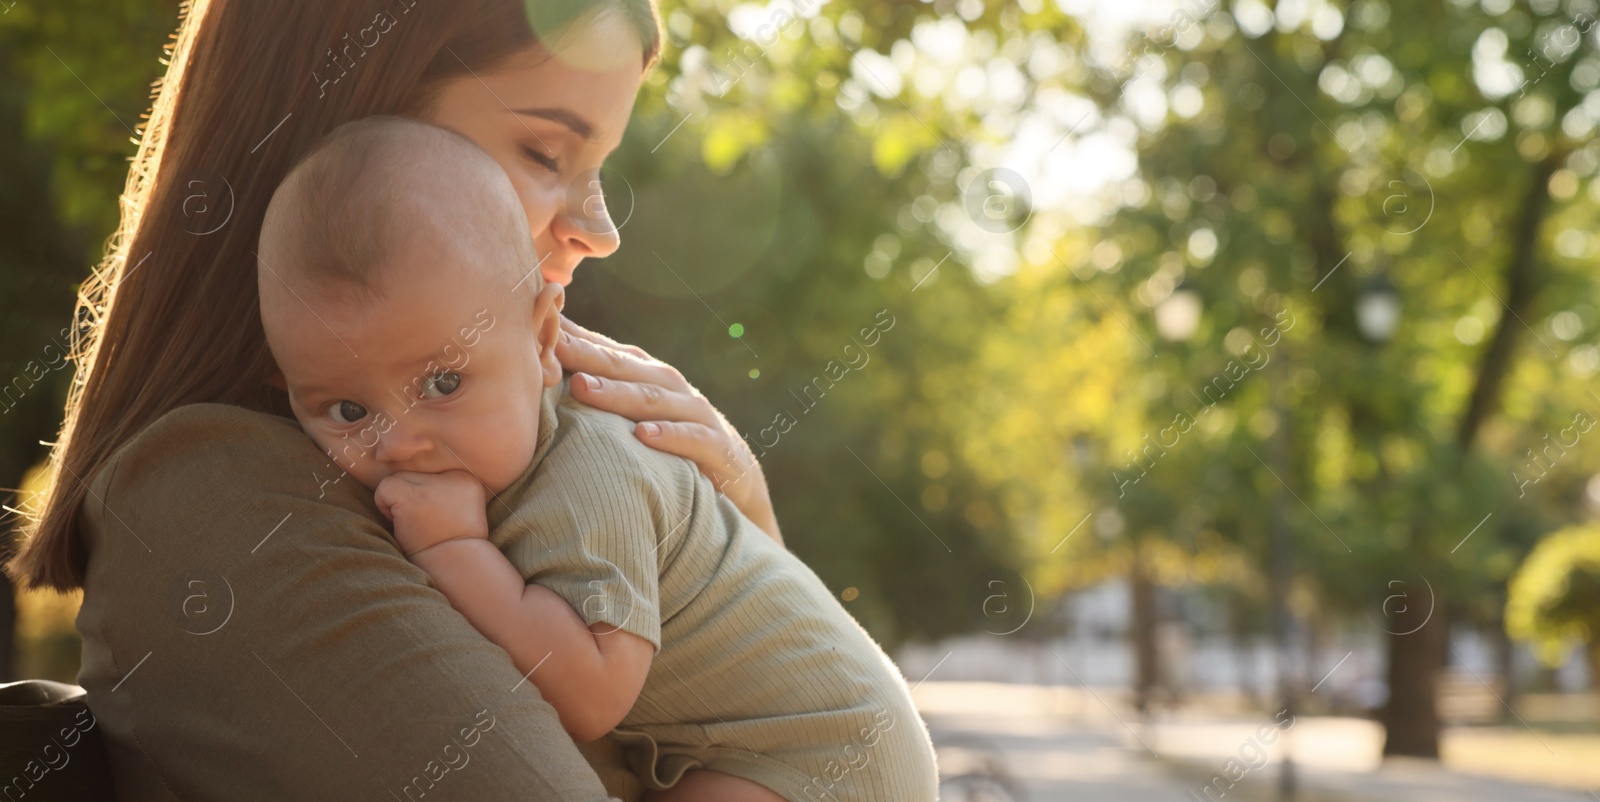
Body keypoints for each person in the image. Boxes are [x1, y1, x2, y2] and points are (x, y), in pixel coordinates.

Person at [5, 0, 800, 799]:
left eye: (599, 167)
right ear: (347, 121)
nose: (600, 229)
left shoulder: (510, 465)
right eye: (543, 150)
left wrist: (737, 528)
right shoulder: (217, 492)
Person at [255, 116, 939, 802]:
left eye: (444, 383)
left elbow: (592, 693)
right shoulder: (491, 453)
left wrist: (455, 549)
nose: (398, 443)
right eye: (347, 411)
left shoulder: (590, 475)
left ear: (545, 337)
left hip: (826, 751)